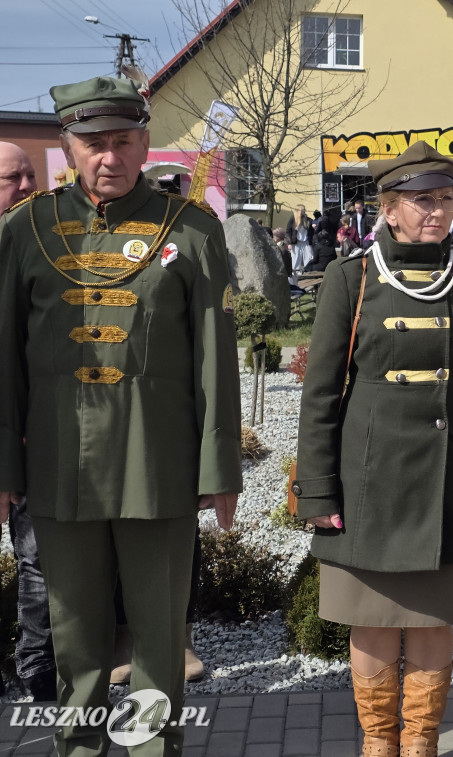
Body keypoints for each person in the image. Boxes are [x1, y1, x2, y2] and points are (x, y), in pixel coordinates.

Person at [0, 76, 242, 755]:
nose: (108, 158)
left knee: (159, 638)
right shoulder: (25, 230)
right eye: (93, 143)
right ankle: (78, 747)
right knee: (73, 636)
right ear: (69, 147)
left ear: (144, 143)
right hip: (59, 468)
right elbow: (2, 361)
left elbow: (215, 359)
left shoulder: (192, 230)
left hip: (156, 468)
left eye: (122, 142)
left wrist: (219, 467)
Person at [292, 141, 453, 757]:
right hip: (368, 479)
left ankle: (419, 744)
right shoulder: (350, 278)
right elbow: (320, 396)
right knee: (373, 618)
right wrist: (317, 489)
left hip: (447, 476)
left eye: (445, 198)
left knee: (433, 616)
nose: (437, 211)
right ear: (389, 210)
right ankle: (377, 743)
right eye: (421, 201)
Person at [0, 141, 57, 702]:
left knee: (38, 558)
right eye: (11, 179)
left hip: (27, 431)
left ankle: (38, 668)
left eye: (29, 176)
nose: (25, 188)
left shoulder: (41, 247)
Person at [286, 204, 314, 273]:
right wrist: (289, 243)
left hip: (306, 242)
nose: (304, 211)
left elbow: (311, 226)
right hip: (296, 242)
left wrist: (312, 224)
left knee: (309, 258)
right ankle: (295, 275)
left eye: (304, 210)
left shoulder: (307, 219)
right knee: (296, 260)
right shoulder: (293, 219)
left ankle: (308, 273)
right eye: (302, 210)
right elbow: (288, 231)